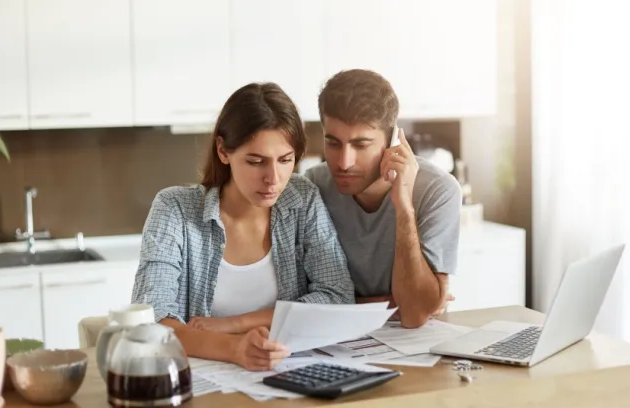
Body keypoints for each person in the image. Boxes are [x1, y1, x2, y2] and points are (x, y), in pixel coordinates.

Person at [131, 82, 355, 371]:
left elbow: (337, 296)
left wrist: (235, 324)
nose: (273, 179)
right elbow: (151, 318)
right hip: (200, 380)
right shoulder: (175, 209)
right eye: (256, 161)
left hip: (281, 373)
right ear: (223, 151)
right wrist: (235, 348)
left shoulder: (303, 199)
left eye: (285, 160)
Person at [304, 69, 462, 329]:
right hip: (334, 336)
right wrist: (392, 304)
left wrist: (403, 207)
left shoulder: (438, 190)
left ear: (391, 141)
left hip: (414, 342)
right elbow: (303, 302)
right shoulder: (313, 186)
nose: (344, 163)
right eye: (333, 144)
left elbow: (414, 315)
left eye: (361, 145)